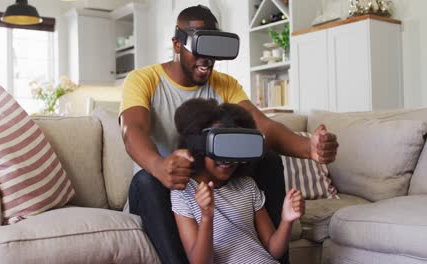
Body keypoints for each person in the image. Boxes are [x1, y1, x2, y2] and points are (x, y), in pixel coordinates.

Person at [120, 5, 338, 264]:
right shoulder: (143, 79)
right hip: (164, 185)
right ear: (177, 45)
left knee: (267, 159)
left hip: (210, 181)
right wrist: (159, 165)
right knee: (146, 180)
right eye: (199, 48)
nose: (207, 59)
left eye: (213, 50)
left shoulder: (225, 85)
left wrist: (309, 148)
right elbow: (132, 129)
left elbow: (264, 127)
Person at [171, 98, 305, 264]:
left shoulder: (247, 185)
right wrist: (207, 216)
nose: (228, 160)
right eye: (222, 147)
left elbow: (274, 249)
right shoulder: (184, 193)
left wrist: (287, 220)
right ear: (199, 147)